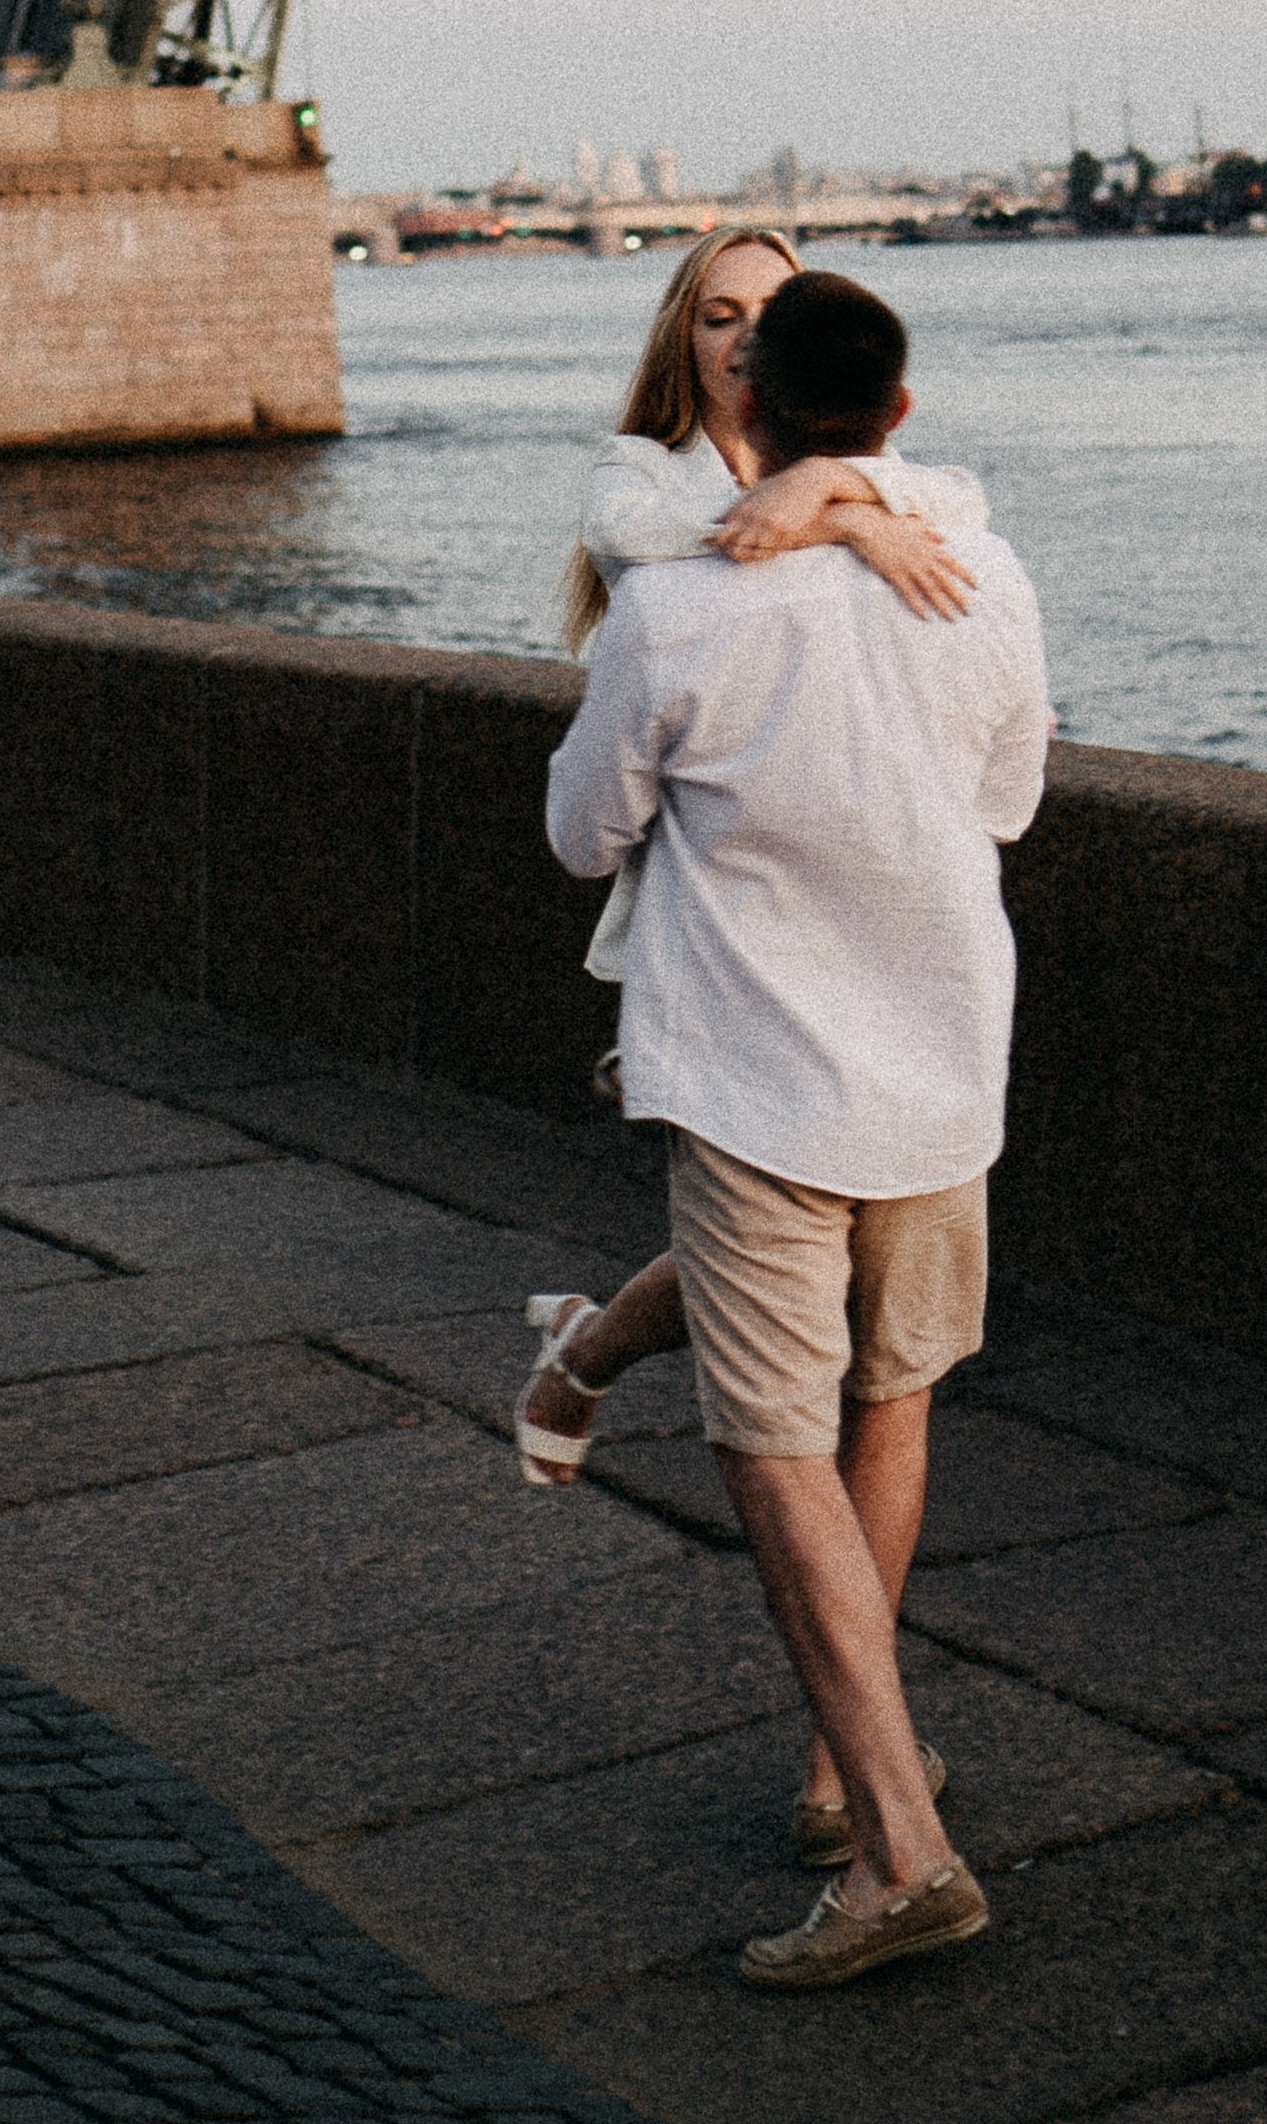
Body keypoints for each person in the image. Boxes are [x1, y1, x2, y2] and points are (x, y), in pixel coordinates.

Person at [544, 269, 1052, 1995]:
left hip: (758, 1076)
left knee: (773, 1445)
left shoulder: (676, 613)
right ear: (898, 416)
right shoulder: (983, 575)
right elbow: (1011, 794)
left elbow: (580, 831)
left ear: (742, 407)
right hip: (942, 1065)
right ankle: (856, 1771)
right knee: (889, 1405)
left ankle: (902, 1849)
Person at [515, 232, 991, 1493]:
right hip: (710, 933)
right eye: (716, 313)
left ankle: (581, 1349)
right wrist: (846, 507)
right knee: (773, 1249)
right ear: (685, 338)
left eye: (767, 311)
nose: (740, 335)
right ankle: (585, 1355)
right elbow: (671, 541)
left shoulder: (859, 478)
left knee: (777, 1248)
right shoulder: (636, 479)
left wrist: (827, 495)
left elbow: (964, 502)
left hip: (859, 930)